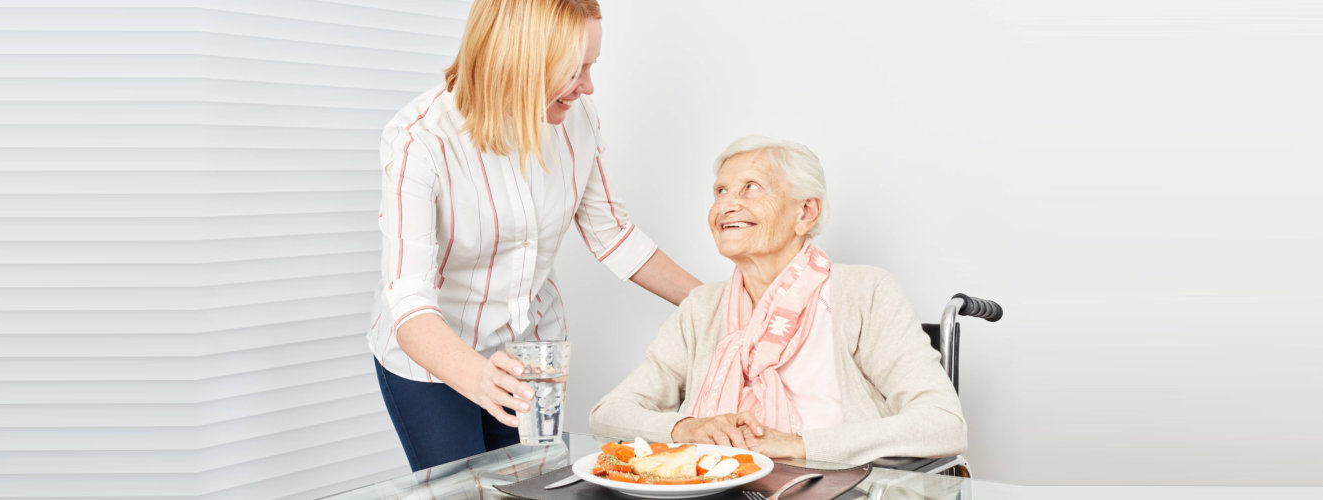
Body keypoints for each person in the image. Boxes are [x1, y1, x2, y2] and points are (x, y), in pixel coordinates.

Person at [369, 0, 704, 472]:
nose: (588, 86)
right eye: (574, 70)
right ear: (520, 61)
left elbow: (612, 234)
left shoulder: (578, 118)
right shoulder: (421, 140)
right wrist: (478, 377)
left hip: (530, 351)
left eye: (591, 66)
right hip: (433, 361)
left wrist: (717, 305)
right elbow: (409, 301)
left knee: (531, 486)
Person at [589, 136, 966, 464]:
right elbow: (609, 414)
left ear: (805, 212)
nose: (727, 205)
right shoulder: (702, 308)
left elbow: (943, 424)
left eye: (751, 187)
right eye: (720, 191)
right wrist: (688, 427)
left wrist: (800, 445)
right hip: (720, 489)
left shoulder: (864, 293)